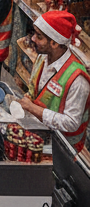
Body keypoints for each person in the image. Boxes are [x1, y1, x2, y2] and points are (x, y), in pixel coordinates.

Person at [19, 10, 90, 152]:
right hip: (42, 136)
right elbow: (35, 89)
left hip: (63, 149)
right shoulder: (42, 58)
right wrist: (29, 98)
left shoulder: (77, 80)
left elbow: (71, 123)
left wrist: (33, 109)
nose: (33, 39)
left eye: (39, 36)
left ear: (54, 43)